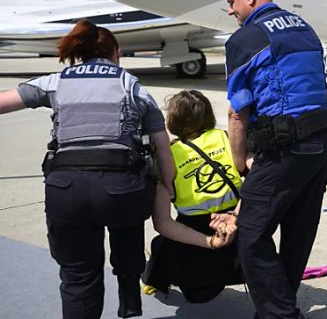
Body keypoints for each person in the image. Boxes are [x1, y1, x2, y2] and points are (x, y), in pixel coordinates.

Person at [0, 20, 170, 318]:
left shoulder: (56, 81)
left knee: (78, 276)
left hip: (67, 190)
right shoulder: (132, 85)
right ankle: (129, 288)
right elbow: (161, 145)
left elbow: (5, 102)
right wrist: (168, 184)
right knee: (129, 210)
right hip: (120, 190)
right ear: (116, 52)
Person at [214, 0, 327, 319]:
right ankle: (280, 304)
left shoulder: (246, 38)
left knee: (251, 234)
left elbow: (238, 114)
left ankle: (280, 314)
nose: (230, 10)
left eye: (231, 2)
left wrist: (240, 164)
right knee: (298, 232)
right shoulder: (303, 27)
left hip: (286, 147)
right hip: (321, 143)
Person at [143, 90, 244, 302]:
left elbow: (162, 223)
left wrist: (210, 242)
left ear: (173, 121)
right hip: (236, 229)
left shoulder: (168, 156)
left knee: (161, 245)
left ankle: (154, 279)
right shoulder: (225, 138)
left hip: (193, 235)